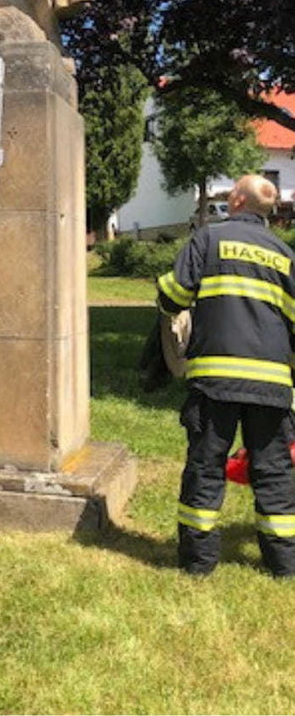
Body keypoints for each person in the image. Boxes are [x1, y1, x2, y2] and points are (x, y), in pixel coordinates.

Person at [156, 173, 295, 577]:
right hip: (270, 384)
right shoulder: (284, 255)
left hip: (215, 380)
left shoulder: (209, 239)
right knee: (273, 471)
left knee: (206, 466)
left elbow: (173, 295)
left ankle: (198, 565)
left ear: (235, 199)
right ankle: (284, 566)